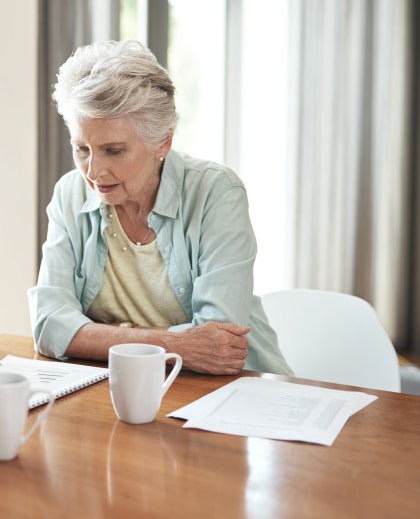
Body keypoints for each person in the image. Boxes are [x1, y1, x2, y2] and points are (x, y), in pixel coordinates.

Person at [28, 41, 291, 376]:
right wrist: (175, 345)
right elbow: (49, 325)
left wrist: (94, 338)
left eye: (114, 150)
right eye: (81, 148)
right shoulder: (70, 193)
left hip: (229, 391)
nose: (93, 172)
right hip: (122, 386)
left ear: (163, 142)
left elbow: (218, 342)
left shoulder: (216, 193)